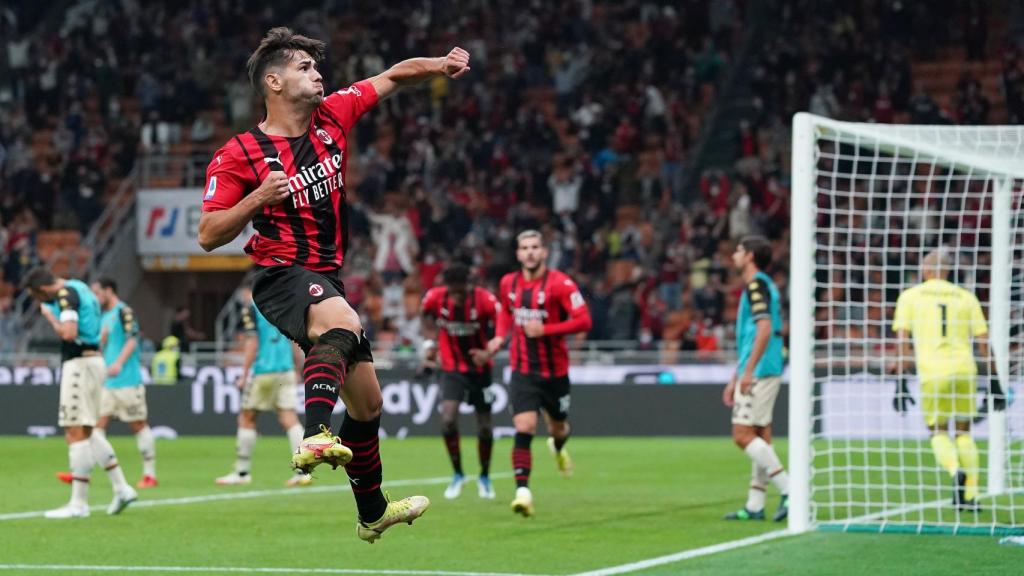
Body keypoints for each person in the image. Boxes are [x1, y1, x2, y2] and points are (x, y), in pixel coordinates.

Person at [197, 27, 470, 542]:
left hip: (327, 276)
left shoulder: (332, 117)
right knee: (344, 323)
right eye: (303, 67)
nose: (317, 73)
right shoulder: (240, 154)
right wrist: (257, 198)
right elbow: (209, 233)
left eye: (315, 66)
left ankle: (372, 513)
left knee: (368, 405)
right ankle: (314, 434)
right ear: (273, 83)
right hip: (281, 275)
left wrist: (438, 63)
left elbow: (392, 76)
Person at [482, 230, 592, 517]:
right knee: (525, 426)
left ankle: (557, 447)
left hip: (555, 373)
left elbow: (584, 320)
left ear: (544, 252)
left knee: (559, 429)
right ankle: (522, 491)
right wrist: (499, 337)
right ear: (518, 254)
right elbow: (506, 312)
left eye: (535, 247)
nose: (530, 252)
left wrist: (546, 330)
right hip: (522, 371)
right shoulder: (509, 283)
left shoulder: (561, 284)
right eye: (524, 248)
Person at [890, 249, 999, 511]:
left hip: (933, 372)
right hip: (965, 370)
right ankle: (970, 495)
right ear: (948, 270)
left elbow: (902, 340)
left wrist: (901, 381)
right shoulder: (965, 297)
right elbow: (983, 340)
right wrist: (994, 379)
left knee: (938, 431)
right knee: (964, 431)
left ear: (926, 270)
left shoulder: (910, 297)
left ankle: (954, 470)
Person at [25, 268, 138, 518]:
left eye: (37, 297)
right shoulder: (81, 286)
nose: (40, 303)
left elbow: (69, 332)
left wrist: (50, 317)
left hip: (80, 365)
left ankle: (78, 504)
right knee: (88, 430)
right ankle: (121, 488)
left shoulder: (66, 295)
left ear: (43, 290)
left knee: (75, 430)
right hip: (93, 363)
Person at [58, 278, 158, 488]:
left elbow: (133, 338)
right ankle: (82, 471)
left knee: (138, 424)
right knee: (94, 427)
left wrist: (119, 363)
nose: (95, 296)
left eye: (97, 292)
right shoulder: (102, 316)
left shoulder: (124, 311)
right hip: (106, 381)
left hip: (127, 380)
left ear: (108, 290)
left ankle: (150, 474)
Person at [216, 285, 311, 487]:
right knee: (289, 418)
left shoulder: (253, 307)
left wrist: (244, 374)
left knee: (247, 417)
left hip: (265, 371)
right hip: (285, 370)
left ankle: (241, 473)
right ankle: (303, 471)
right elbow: (295, 340)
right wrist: (297, 367)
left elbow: (252, 343)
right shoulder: (285, 306)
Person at [722, 236, 789, 522]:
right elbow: (755, 334)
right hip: (763, 366)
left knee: (742, 435)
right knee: (760, 435)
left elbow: (764, 328)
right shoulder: (762, 285)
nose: (734, 255)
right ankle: (755, 504)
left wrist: (747, 372)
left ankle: (791, 490)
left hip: (761, 369)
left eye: (738, 250)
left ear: (749, 256)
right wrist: (736, 375)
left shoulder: (756, 285)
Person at [420, 262, 500, 500]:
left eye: (460, 292)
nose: (455, 297)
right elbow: (425, 319)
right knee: (447, 420)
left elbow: (503, 327)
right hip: (451, 368)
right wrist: (430, 344)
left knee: (485, 426)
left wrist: (488, 352)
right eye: (452, 291)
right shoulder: (435, 297)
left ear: (468, 285)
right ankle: (458, 475)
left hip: (480, 369)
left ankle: (484, 476)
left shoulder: (485, 300)